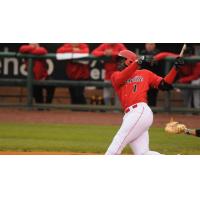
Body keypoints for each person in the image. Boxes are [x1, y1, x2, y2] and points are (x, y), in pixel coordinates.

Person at [105, 49, 184, 155]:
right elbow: (120, 79)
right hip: (130, 115)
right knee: (143, 154)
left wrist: (175, 68)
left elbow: (164, 85)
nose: (118, 63)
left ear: (129, 61)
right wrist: (138, 62)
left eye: (121, 60)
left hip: (140, 111)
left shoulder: (145, 73)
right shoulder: (115, 75)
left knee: (115, 147)